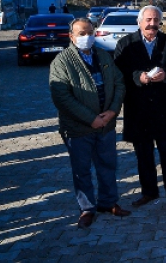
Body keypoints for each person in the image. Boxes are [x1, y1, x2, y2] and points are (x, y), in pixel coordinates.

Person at [49, 17, 131, 228]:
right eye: (82, 34)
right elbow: (62, 97)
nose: (87, 37)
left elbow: (119, 83)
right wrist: (91, 118)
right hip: (78, 128)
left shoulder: (103, 55)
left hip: (106, 124)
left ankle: (108, 202)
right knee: (82, 169)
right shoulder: (62, 62)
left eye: (90, 33)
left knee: (107, 165)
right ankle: (87, 208)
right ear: (71, 36)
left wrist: (112, 111)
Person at [114, 5, 166, 208]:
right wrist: (138, 77)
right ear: (139, 22)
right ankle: (149, 192)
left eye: (156, 20)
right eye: (148, 20)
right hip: (137, 108)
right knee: (144, 155)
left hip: (163, 108)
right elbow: (119, 71)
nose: (152, 24)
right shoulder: (125, 43)